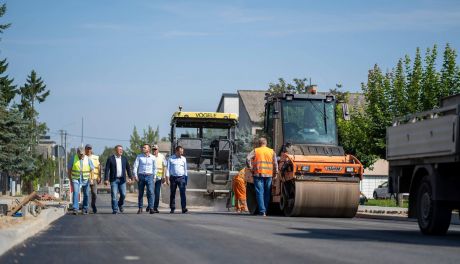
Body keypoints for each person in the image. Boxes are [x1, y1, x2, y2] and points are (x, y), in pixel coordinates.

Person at [246, 137, 278, 216]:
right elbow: (275, 163)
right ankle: (265, 210)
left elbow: (247, 158)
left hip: (258, 174)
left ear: (259, 144)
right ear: (266, 143)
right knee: (267, 193)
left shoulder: (256, 150)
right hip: (269, 174)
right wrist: (276, 173)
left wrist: (250, 167)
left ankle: (262, 211)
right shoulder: (271, 151)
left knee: (260, 192)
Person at [104, 145, 133, 214]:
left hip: (122, 180)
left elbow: (128, 168)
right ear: (115, 150)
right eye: (119, 149)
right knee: (114, 195)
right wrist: (106, 179)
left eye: (121, 149)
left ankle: (120, 204)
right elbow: (107, 169)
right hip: (114, 180)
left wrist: (130, 177)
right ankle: (115, 209)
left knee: (123, 194)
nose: (121, 150)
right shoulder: (110, 158)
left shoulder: (124, 158)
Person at [68, 146, 94, 215]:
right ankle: (75, 209)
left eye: (83, 154)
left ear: (84, 153)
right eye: (80, 154)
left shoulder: (88, 159)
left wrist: (91, 179)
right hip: (76, 179)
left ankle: (85, 208)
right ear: (77, 153)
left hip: (85, 179)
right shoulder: (73, 158)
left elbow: (92, 170)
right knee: (76, 192)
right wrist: (70, 179)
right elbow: (69, 169)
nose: (81, 155)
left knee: (86, 194)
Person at [133, 144, 157, 214]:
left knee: (151, 192)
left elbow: (155, 168)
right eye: (143, 147)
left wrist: (154, 177)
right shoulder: (139, 157)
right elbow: (135, 166)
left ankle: (151, 208)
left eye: (145, 147)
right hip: (141, 176)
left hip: (150, 176)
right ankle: (140, 208)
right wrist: (135, 175)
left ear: (148, 149)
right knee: (140, 193)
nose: (143, 148)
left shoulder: (153, 157)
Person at [166, 145, 188, 214]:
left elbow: (185, 169)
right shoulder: (171, 158)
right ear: (176, 151)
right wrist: (167, 178)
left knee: (183, 193)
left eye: (182, 152)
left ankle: (183, 208)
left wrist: (186, 179)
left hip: (181, 178)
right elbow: (168, 169)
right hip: (173, 178)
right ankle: (172, 208)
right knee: (172, 193)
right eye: (180, 152)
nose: (181, 153)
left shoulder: (184, 159)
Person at [85, 144, 101, 214]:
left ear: (91, 150)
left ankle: (93, 204)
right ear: (85, 149)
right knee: (86, 194)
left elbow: (99, 167)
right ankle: (86, 207)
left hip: (94, 178)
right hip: (85, 178)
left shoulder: (95, 157)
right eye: (87, 149)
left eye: (90, 149)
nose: (89, 150)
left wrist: (99, 177)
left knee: (94, 194)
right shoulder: (83, 157)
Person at [152, 144, 167, 213]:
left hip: (159, 177)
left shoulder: (162, 156)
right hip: (151, 177)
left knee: (157, 192)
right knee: (150, 192)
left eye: (155, 149)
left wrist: (164, 177)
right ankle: (150, 206)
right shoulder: (150, 157)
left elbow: (165, 166)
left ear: (158, 150)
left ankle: (155, 207)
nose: (154, 151)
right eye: (153, 149)